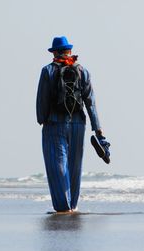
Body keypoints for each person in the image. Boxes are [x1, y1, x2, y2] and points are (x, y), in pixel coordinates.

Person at [36, 36, 103, 213]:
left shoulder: (48, 71)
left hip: (55, 124)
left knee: (57, 165)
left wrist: (42, 120)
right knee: (75, 166)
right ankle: (73, 205)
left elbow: (42, 100)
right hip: (78, 124)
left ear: (54, 52)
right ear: (70, 51)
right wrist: (97, 127)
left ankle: (62, 207)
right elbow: (91, 101)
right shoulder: (83, 71)